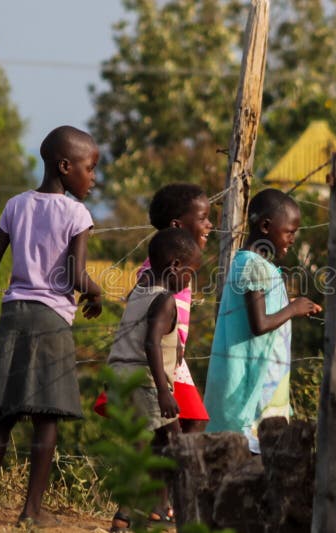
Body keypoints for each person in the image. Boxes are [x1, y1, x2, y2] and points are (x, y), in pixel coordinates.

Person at [0, 126, 103, 528]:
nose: (93, 177)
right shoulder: (77, 213)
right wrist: (98, 294)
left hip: (13, 315)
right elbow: (76, 274)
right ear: (65, 167)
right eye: (89, 168)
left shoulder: (16, 204)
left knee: (2, 414)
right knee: (47, 417)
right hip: (51, 321)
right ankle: (30, 512)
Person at [204, 188, 321, 453]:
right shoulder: (253, 265)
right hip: (250, 389)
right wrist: (294, 309)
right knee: (253, 462)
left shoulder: (256, 265)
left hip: (263, 382)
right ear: (266, 226)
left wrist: (290, 305)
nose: (292, 239)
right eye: (289, 232)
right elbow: (260, 324)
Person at [94, 183, 213, 433]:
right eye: (203, 218)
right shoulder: (159, 268)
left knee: (180, 424)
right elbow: (142, 299)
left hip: (169, 354)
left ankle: (172, 467)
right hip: (161, 357)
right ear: (177, 225)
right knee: (190, 422)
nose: (210, 225)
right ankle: (181, 469)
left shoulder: (176, 263)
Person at [106, 227, 202, 532]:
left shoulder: (138, 294)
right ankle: (128, 513)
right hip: (147, 382)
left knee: (162, 441)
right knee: (167, 443)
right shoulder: (164, 302)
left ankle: (154, 509)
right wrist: (163, 389)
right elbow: (150, 343)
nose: (189, 281)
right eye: (189, 274)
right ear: (175, 266)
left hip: (121, 375)